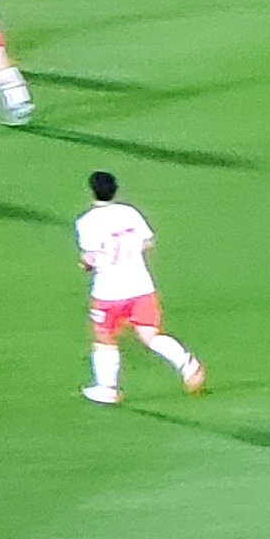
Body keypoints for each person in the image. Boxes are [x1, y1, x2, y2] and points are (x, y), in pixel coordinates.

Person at [75, 171, 206, 405]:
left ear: (92, 191)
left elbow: (90, 258)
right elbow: (147, 242)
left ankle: (107, 389)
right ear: (115, 189)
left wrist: (85, 264)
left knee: (105, 338)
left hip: (108, 291)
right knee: (149, 334)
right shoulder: (129, 212)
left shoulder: (87, 221)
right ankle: (187, 364)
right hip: (141, 286)